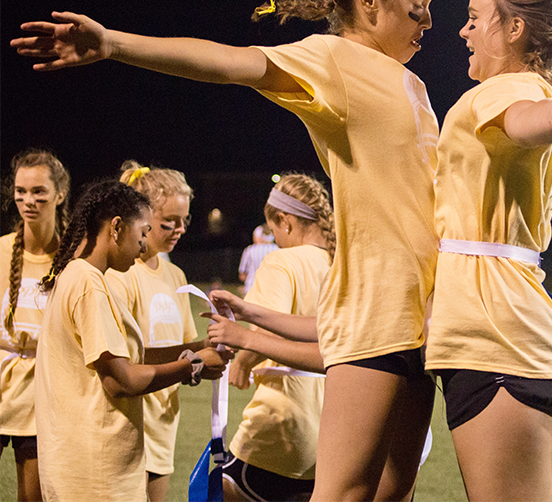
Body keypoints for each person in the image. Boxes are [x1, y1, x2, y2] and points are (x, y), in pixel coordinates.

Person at [13, 0, 444, 502]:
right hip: (379, 315)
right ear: (368, 1)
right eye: (418, 8)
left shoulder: (413, 83)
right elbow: (228, 62)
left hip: (427, 314)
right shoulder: (333, 60)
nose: (429, 23)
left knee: (394, 494)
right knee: (344, 494)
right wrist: (114, 43)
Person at [423, 0, 552, 502]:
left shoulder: (508, 88)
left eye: (474, 18)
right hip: (492, 337)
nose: (463, 30)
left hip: (501, 341)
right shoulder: (525, 88)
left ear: (514, 29)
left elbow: (521, 117)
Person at [34, 180, 227, 502]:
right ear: (117, 228)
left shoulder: (82, 275)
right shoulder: (89, 285)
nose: (142, 245)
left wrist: (195, 349)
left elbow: (127, 356)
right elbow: (120, 381)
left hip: (84, 461)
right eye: (142, 232)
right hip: (94, 468)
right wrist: (192, 367)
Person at [209, 174, 334, 502]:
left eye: (276, 232)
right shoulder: (342, 262)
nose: (276, 241)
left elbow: (267, 324)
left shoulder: (282, 260)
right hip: (334, 428)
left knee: (216, 491)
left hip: (284, 423)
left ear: (286, 221)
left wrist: (243, 361)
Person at [105, 161, 202, 502]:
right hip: (126, 426)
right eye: (168, 222)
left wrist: (205, 353)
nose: (180, 229)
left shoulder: (175, 275)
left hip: (163, 425)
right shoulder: (120, 275)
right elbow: (125, 359)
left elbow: (181, 346)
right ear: (143, 218)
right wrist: (192, 359)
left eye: (184, 220)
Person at [0, 149, 69, 502]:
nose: (29, 200)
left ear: (60, 194)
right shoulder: (0, 252)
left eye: (39, 191)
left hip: (45, 398)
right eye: (21, 191)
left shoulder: (73, 258)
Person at [238, 224, 277, 295]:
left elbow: (242, 275)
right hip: (271, 290)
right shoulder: (277, 249)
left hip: (251, 289)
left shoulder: (249, 250)